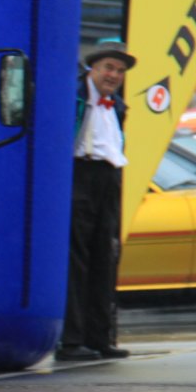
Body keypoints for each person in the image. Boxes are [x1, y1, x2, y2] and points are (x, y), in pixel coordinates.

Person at [58, 41, 135, 362]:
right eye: (108, 68)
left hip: (108, 177)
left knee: (106, 256)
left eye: (119, 71)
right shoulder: (75, 96)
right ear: (93, 68)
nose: (113, 75)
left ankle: (100, 336)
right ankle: (72, 340)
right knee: (76, 259)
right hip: (81, 174)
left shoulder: (117, 105)